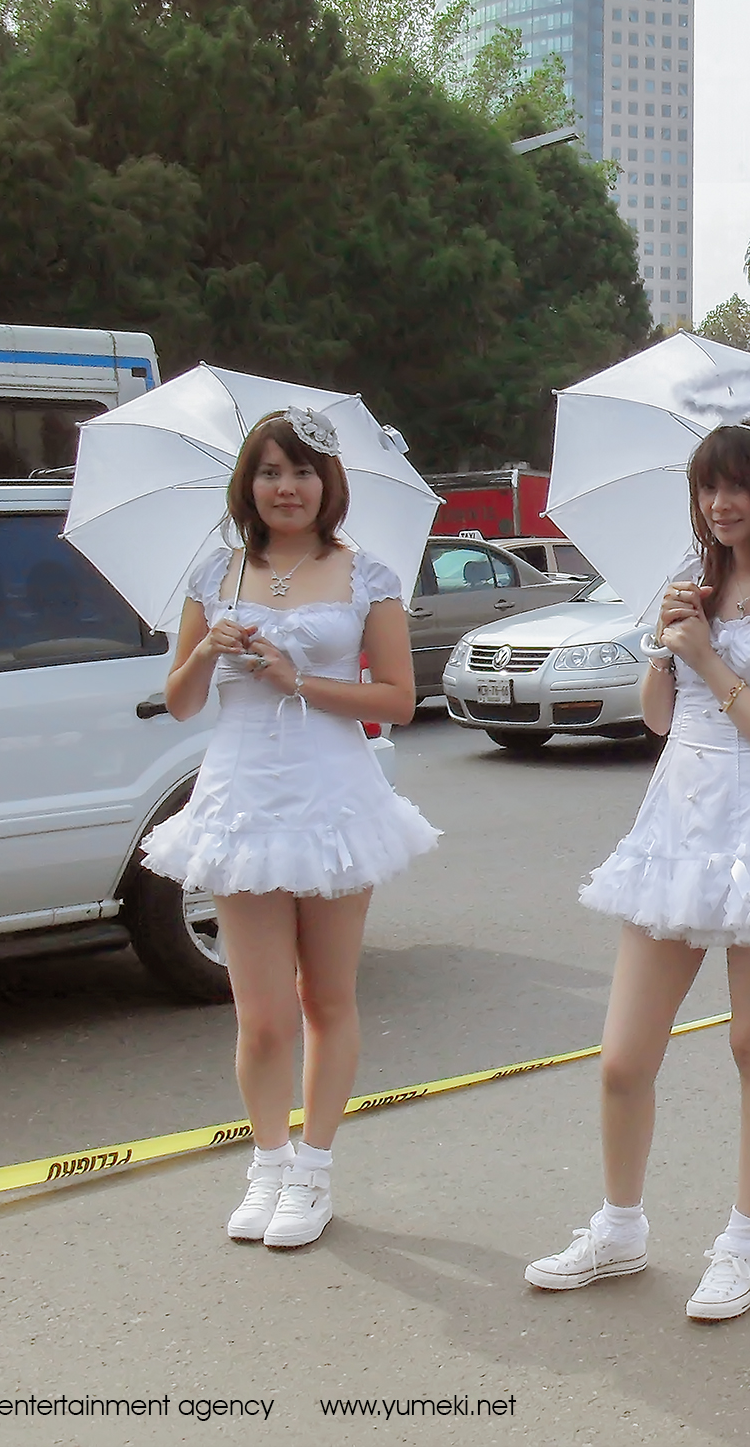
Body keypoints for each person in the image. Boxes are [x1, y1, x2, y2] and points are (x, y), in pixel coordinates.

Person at [526, 417, 750, 1322]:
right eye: (706, 488)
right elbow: (656, 716)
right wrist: (666, 639)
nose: (719, 505)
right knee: (621, 1058)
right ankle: (618, 1226)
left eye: (736, 486)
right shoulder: (689, 583)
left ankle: (743, 1243)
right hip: (675, 827)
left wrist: (709, 657)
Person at [144, 407, 438, 1249]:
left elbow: (397, 701)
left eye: (302, 471)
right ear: (250, 482)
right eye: (271, 471)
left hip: (334, 798)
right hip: (240, 802)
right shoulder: (215, 575)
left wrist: (294, 676)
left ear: (326, 483)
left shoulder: (367, 574)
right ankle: (266, 1163)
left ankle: (313, 1171)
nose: (287, 487)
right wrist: (207, 653)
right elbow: (180, 702)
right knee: (261, 1013)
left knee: (327, 997)